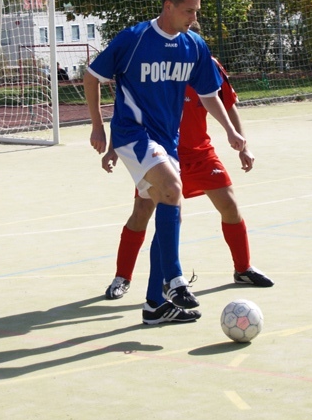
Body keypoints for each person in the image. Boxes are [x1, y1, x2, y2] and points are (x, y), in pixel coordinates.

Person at [83, 0, 246, 325]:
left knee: (168, 207)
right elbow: (92, 76)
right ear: (168, 7)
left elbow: (209, 95)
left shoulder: (194, 45)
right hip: (132, 133)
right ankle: (174, 279)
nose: (194, 18)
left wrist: (231, 131)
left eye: (196, 11)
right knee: (173, 189)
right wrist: (97, 126)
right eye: (188, 11)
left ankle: (155, 306)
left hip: (166, 141)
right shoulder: (135, 38)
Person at [103, 53, 274, 300]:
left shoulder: (209, 64)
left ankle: (243, 269)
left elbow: (228, 104)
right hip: (160, 155)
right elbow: (126, 112)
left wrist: (242, 145)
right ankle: (123, 277)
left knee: (229, 205)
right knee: (142, 213)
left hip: (200, 153)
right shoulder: (151, 63)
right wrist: (112, 148)